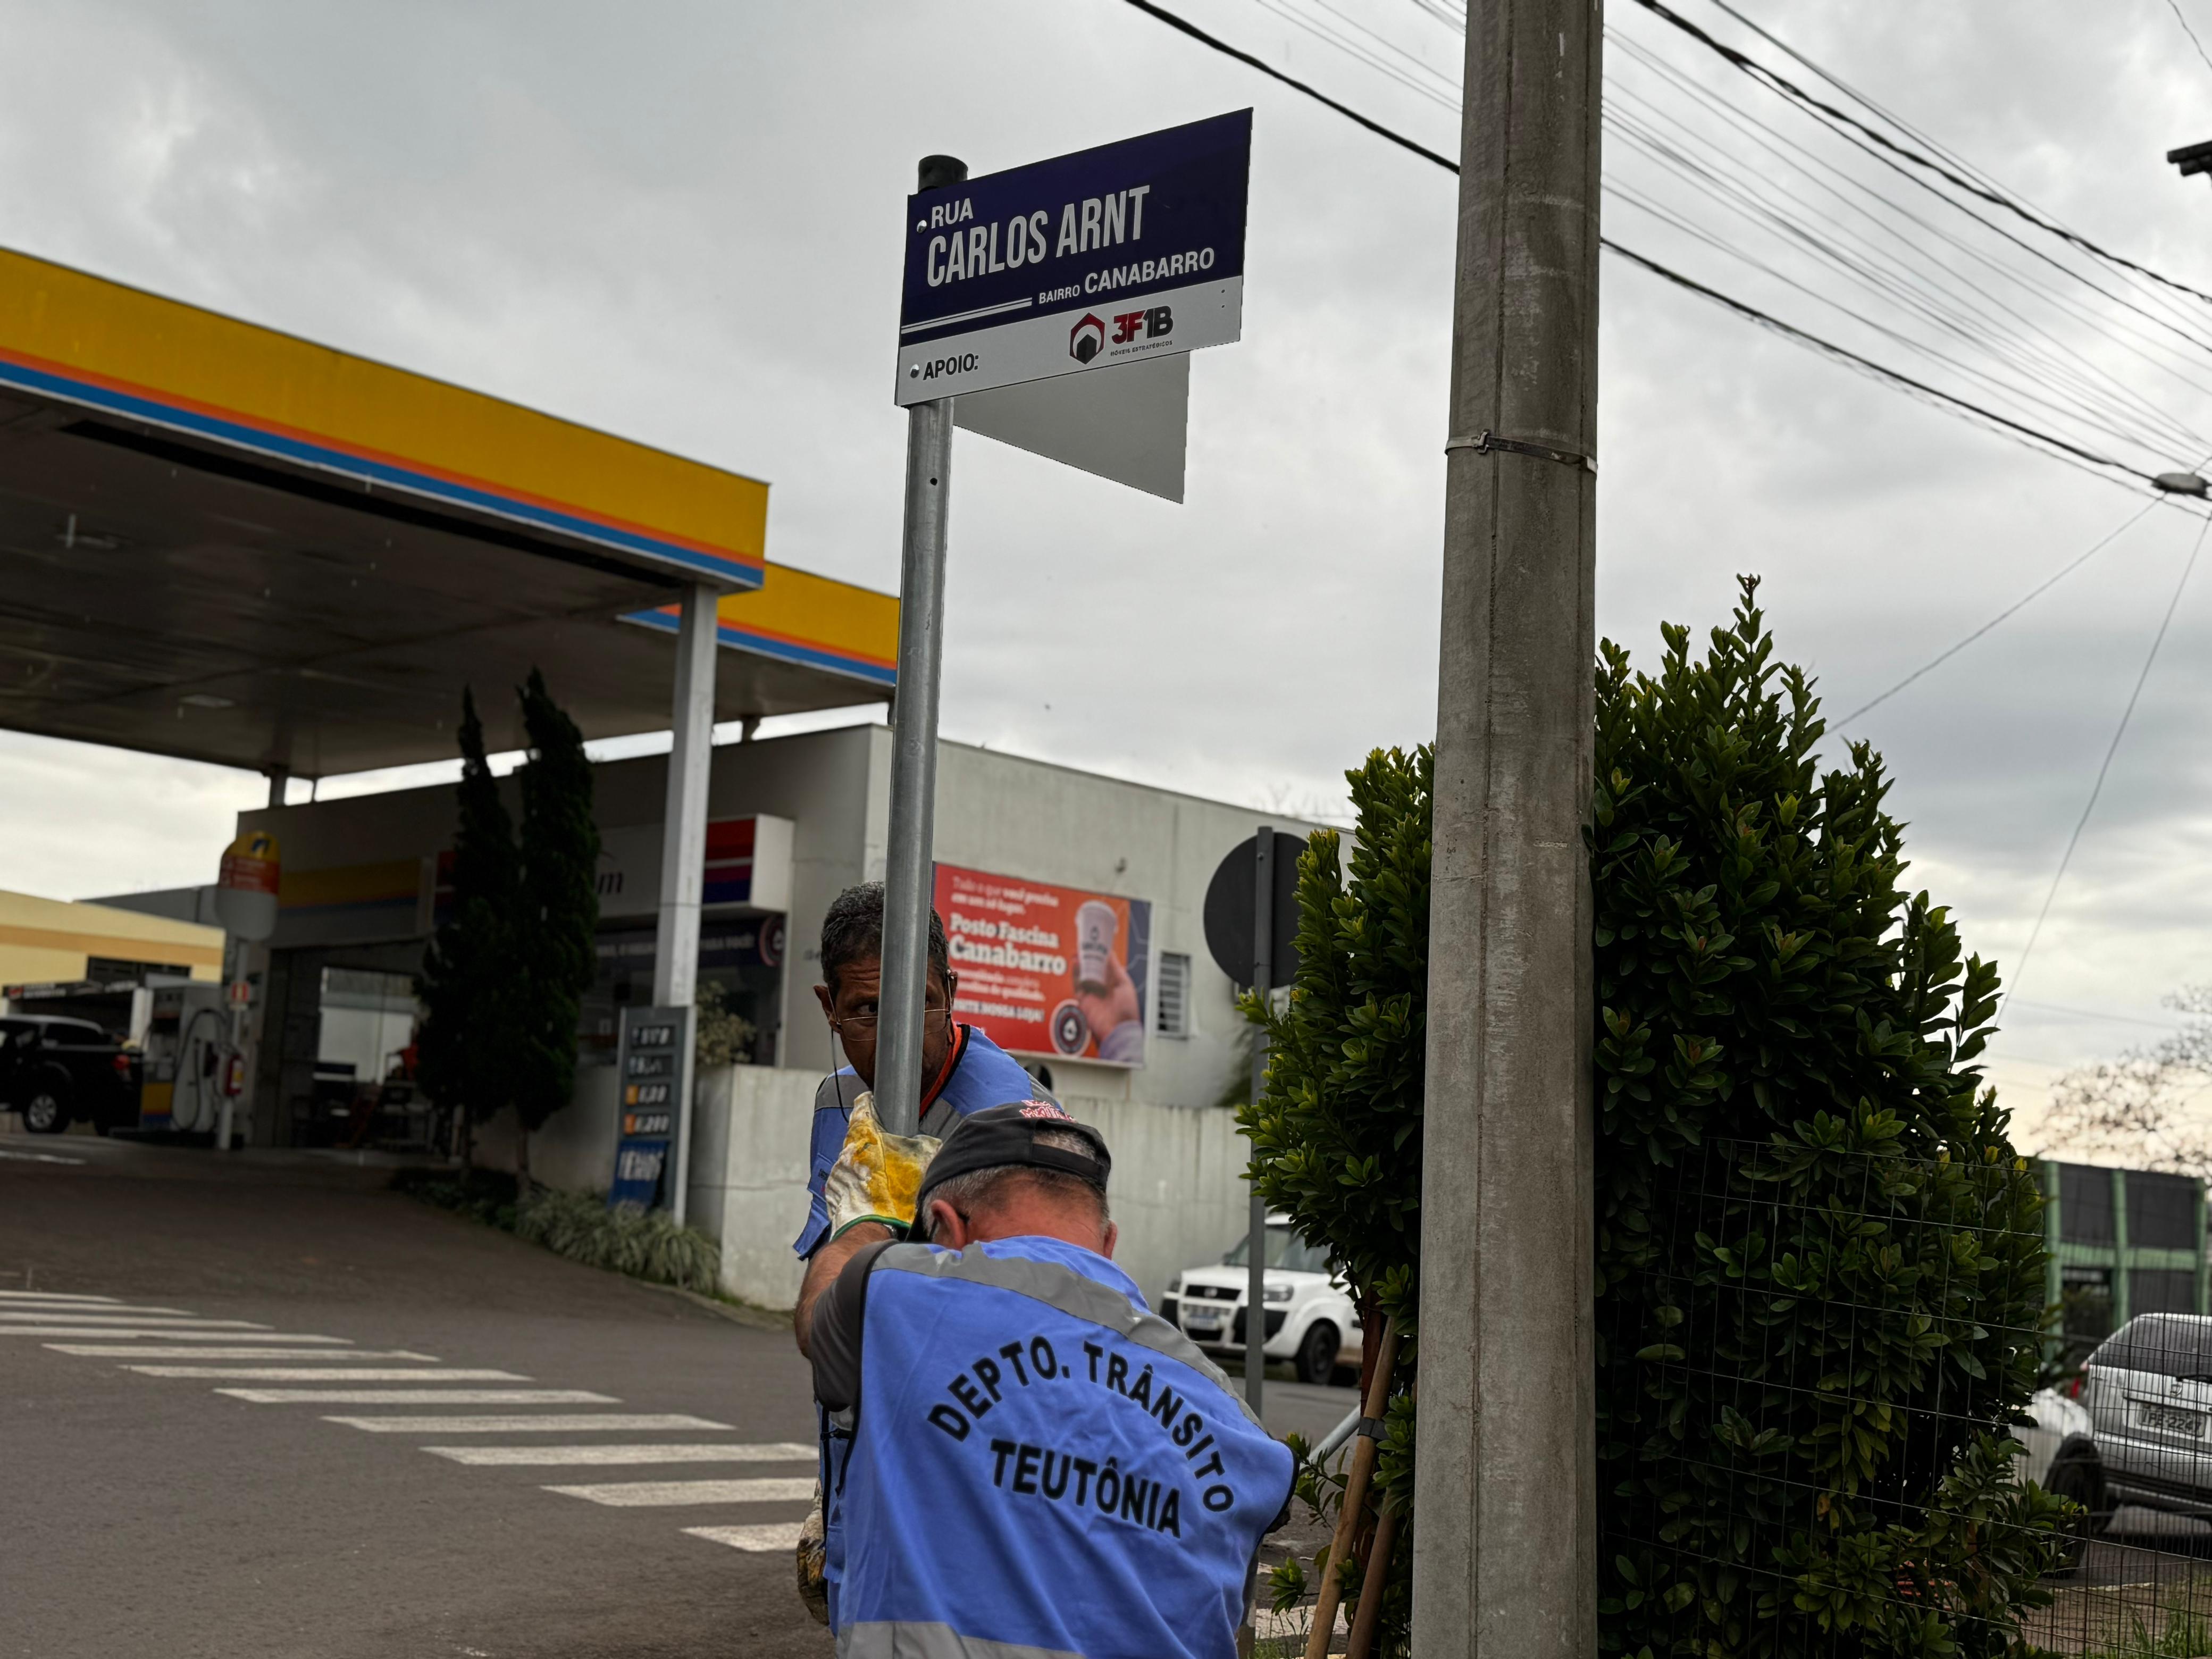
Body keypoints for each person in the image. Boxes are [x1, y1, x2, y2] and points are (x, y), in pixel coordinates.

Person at [803, 1101, 1294, 1659]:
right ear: (1108, 1244)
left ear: (949, 1227)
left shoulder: (892, 1297)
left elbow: (819, 1312)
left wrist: (863, 1219)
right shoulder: (1231, 1417)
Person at [793, 882, 1050, 1262]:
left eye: (920, 1003)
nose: (898, 1039)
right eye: (869, 1010)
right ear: (830, 1008)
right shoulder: (837, 1097)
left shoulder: (1014, 1116)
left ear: (950, 993)